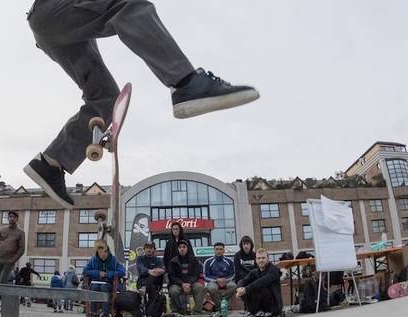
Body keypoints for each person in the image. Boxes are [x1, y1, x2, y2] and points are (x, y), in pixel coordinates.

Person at [24, 0, 260, 207]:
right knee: (129, 4)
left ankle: (51, 163)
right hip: (53, 9)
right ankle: (186, 83)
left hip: (54, 29)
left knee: (106, 99)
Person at [83, 240, 125, 317]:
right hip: (96, 282)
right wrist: (98, 273)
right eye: (101, 252)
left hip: (109, 283)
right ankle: (93, 313)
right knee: (94, 288)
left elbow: (122, 272)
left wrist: (108, 274)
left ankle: (105, 314)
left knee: (103, 288)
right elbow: (85, 271)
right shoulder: (93, 260)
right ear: (98, 252)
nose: (103, 254)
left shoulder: (114, 260)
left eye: (105, 252)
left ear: (108, 251)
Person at [236, 248, 283, 317]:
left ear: (268, 259)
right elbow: (243, 281)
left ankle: (265, 312)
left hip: (273, 305)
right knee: (245, 287)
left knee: (256, 286)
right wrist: (239, 288)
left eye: (263, 258)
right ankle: (253, 311)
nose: (261, 260)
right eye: (259, 258)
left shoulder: (273, 269)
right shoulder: (255, 271)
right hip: (260, 303)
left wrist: (245, 289)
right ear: (256, 260)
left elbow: (262, 281)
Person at [0, 211, 26, 312]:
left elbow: (22, 249)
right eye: (9, 216)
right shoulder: (3, 230)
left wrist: (13, 260)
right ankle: (4, 303)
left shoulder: (20, 232)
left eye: (13, 217)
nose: (11, 218)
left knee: (1, 281)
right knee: (4, 282)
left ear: (16, 219)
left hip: (9, 261)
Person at [168, 239, 206, 315]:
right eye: (180, 247)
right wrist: (182, 284)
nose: (182, 249)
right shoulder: (173, 261)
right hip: (178, 284)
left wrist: (189, 283)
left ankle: (197, 311)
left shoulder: (194, 260)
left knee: (200, 287)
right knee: (173, 291)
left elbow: (196, 274)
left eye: (184, 247)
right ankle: (179, 310)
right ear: (178, 249)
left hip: (191, 283)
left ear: (187, 248)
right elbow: (171, 276)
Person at [203, 242, 237, 315]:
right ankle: (220, 308)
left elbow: (233, 274)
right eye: (217, 249)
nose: (219, 251)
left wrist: (225, 280)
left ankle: (222, 302)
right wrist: (216, 280)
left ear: (224, 250)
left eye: (221, 249)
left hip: (226, 281)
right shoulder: (208, 261)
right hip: (213, 281)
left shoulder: (229, 261)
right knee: (211, 288)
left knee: (233, 286)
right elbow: (205, 275)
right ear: (214, 250)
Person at [136, 241, 165, 307]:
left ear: (154, 249)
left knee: (154, 277)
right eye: (147, 248)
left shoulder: (159, 260)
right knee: (152, 284)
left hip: (154, 284)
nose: (148, 249)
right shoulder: (140, 259)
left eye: (151, 248)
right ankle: (149, 312)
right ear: (144, 249)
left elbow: (163, 270)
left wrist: (156, 272)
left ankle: (144, 288)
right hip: (142, 282)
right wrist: (150, 271)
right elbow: (141, 269)